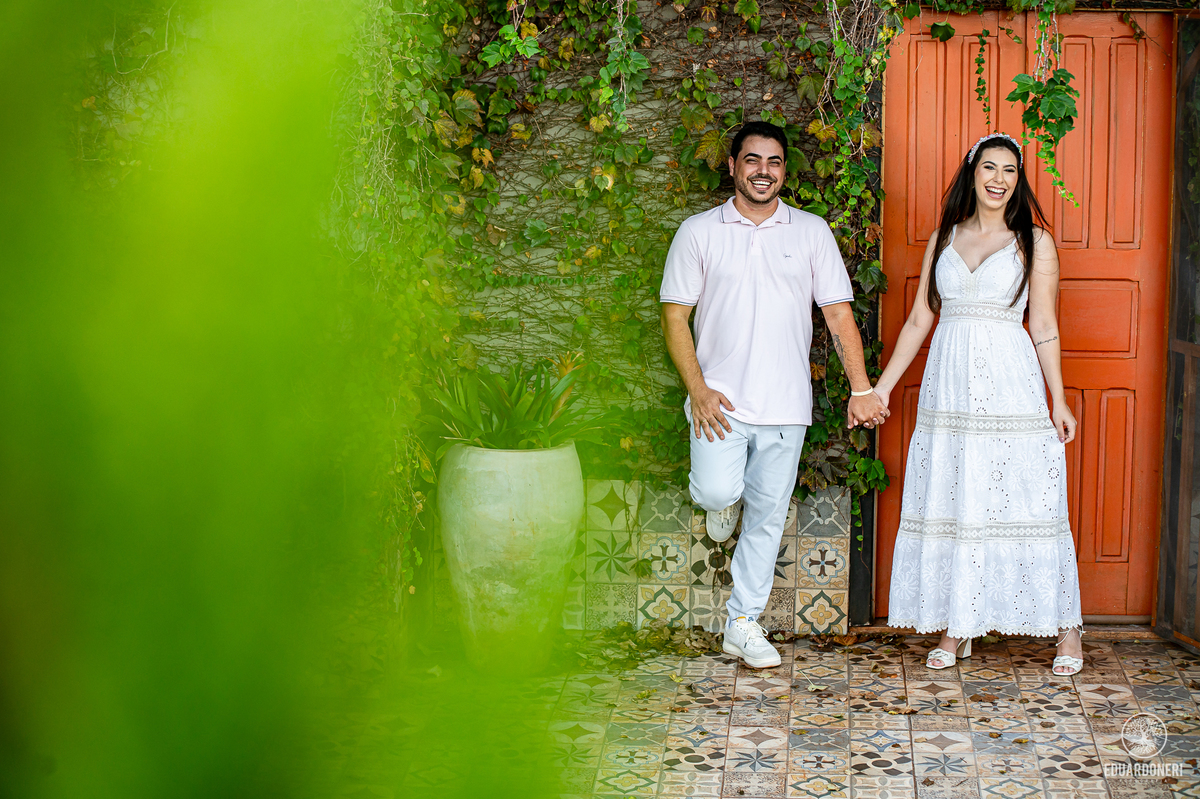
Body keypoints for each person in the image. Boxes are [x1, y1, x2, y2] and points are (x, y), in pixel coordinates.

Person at [659, 121, 887, 669]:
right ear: (733, 165)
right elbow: (674, 317)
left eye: (775, 162)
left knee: (766, 516)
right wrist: (699, 390)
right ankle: (722, 498)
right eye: (753, 160)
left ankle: (742, 623)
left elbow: (837, 313)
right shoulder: (699, 232)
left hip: (785, 404)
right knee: (717, 492)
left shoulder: (810, 232)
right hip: (720, 405)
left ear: (784, 171)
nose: (764, 171)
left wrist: (861, 387)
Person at [873, 133, 1084, 676]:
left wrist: (1058, 399)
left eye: (1009, 170)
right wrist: (882, 388)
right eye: (988, 167)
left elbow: (1043, 325)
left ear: (1019, 179)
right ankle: (958, 624)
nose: (998, 179)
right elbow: (921, 318)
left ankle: (1067, 629)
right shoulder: (944, 237)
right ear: (972, 173)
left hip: (1010, 385)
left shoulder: (1034, 241)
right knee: (959, 495)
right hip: (951, 390)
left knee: (1028, 498)